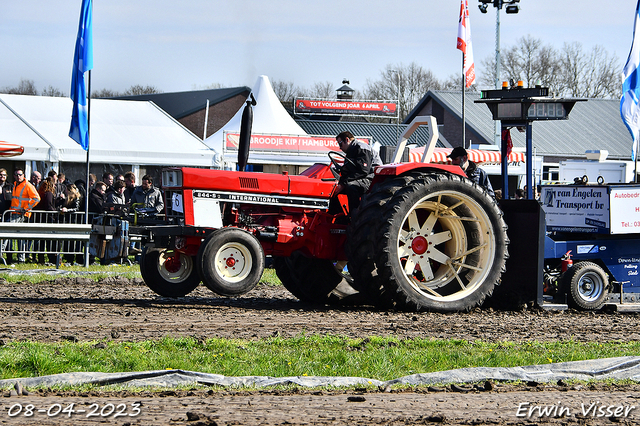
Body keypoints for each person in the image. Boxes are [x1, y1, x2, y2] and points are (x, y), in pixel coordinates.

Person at [333, 131, 382, 213]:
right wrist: (340, 184)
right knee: (333, 191)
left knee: (351, 187)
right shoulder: (349, 153)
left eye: (340, 144)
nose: (340, 147)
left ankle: (355, 215)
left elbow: (363, 171)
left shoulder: (362, 148)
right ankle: (339, 217)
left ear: (347, 140)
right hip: (361, 177)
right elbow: (348, 172)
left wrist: (343, 183)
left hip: (372, 178)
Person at [9, 168, 40, 263]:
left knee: (20, 237)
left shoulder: (27, 185)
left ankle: (21, 259)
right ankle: (13, 257)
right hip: (13, 213)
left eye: (20, 174)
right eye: (16, 175)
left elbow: (36, 199)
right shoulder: (15, 185)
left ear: (23, 175)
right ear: (14, 176)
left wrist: (26, 208)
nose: (18, 176)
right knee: (9, 235)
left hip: (22, 214)